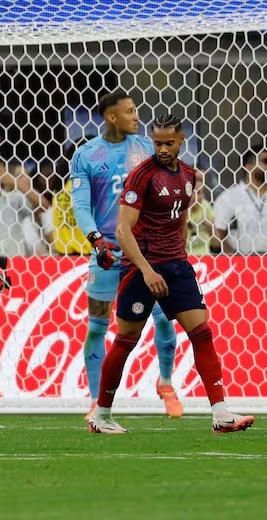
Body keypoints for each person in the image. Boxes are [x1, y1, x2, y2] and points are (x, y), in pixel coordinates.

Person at [89, 114, 255, 434]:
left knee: (202, 333)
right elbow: (122, 230)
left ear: (181, 140)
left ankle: (221, 414)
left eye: (168, 143)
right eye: (157, 143)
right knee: (126, 340)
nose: (162, 149)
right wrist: (148, 270)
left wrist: (179, 256)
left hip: (176, 267)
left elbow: (179, 220)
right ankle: (101, 414)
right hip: (141, 269)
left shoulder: (190, 175)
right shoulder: (142, 177)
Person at [71, 91, 181, 420]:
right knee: (96, 326)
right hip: (106, 248)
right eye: (130, 111)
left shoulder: (148, 150)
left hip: (145, 249)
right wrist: (96, 242)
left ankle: (165, 383)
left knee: (163, 316)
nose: (137, 117)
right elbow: (80, 205)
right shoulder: (87, 155)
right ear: (111, 118)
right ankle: (95, 401)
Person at [212, 146, 267, 255]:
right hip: (242, 263)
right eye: (265, 161)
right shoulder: (230, 197)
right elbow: (216, 231)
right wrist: (232, 255)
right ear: (248, 166)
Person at [186, 171, 215, 255]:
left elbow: (217, 244)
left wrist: (210, 228)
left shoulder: (205, 206)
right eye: (197, 193)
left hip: (206, 257)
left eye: (202, 192)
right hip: (184, 259)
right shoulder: (176, 209)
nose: (202, 197)